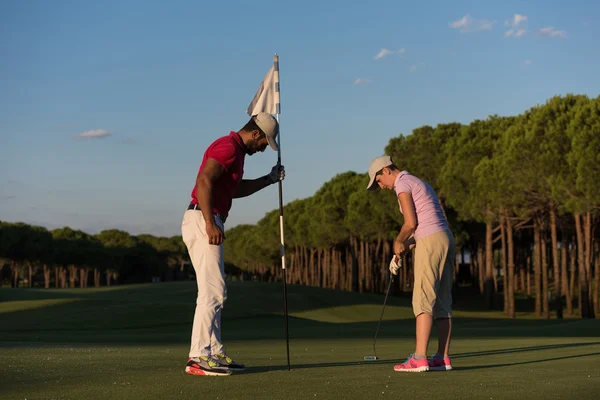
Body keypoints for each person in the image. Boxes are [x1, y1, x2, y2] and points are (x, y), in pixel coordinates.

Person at [181, 112, 285, 376]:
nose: (263, 149)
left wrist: (269, 179)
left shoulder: (235, 153)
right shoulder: (228, 147)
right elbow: (204, 180)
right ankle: (199, 357)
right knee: (212, 291)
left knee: (216, 290)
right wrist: (209, 223)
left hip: (208, 216)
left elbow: (234, 189)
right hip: (203, 216)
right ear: (256, 134)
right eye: (264, 144)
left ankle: (213, 352)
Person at [367, 155, 455, 373]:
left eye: (378, 181)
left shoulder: (402, 184)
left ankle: (419, 358)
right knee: (443, 302)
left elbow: (410, 223)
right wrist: (404, 249)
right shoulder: (419, 182)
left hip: (431, 241)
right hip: (445, 239)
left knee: (423, 300)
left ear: (386, 170)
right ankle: (442, 358)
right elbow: (426, 226)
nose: (381, 187)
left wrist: (398, 241)